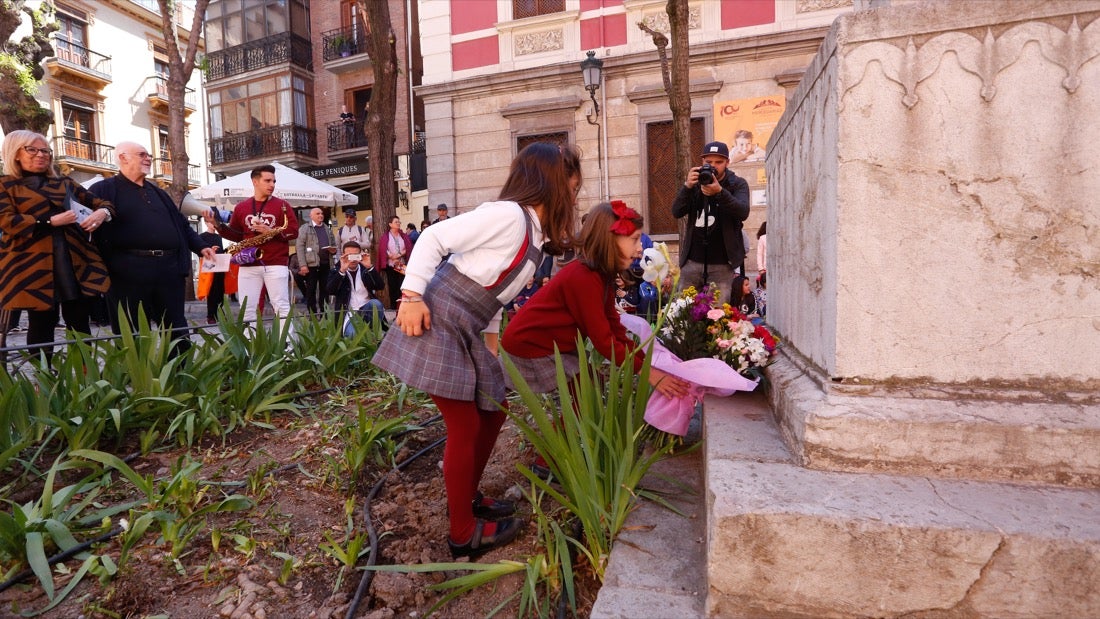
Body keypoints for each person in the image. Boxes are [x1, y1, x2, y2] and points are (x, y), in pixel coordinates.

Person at [372, 142, 580, 559]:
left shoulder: (533, 235)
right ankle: (463, 533)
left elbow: (491, 295)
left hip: (465, 325)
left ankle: (468, 498)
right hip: (438, 318)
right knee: (465, 425)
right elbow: (434, 236)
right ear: (555, 183)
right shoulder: (508, 216)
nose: (575, 197)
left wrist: (488, 351)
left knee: (494, 406)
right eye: (573, 187)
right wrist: (410, 296)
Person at [501, 200, 689, 396]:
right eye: (635, 239)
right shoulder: (583, 278)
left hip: (551, 345)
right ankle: (572, 427)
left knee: (589, 387)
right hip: (530, 346)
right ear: (609, 240)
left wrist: (648, 361)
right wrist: (647, 372)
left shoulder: (601, 275)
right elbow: (603, 339)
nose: (641, 248)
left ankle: (575, 427)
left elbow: (613, 326)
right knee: (587, 391)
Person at [89, 142, 217, 355]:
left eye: (148, 154)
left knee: (176, 327)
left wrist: (201, 247)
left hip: (168, 271)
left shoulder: (159, 193)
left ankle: (180, 373)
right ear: (123, 157)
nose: (148, 158)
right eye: (141, 154)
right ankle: (139, 378)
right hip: (126, 272)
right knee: (131, 329)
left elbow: (182, 225)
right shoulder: (103, 189)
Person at [0, 130, 115, 356]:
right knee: (41, 323)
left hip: (73, 263)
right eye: (32, 149)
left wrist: (102, 212)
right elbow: (5, 221)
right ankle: (43, 380)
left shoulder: (65, 182)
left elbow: (103, 203)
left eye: (45, 150)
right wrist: (49, 221)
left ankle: (86, 376)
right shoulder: (6, 184)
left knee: (79, 323)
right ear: (15, 152)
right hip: (31, 267)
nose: (41, 155)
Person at [204, 164, 300, 332]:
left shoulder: (283, 205)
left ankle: (288, 348)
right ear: (255, 181)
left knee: (281, 306)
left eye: (274, 181)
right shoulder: (241, 207)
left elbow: (294, 232)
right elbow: (235, 234)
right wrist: (217, 225)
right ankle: (251, 346)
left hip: (275, 263)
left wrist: (271, 232)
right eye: (267, 180)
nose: (272, 185)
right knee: (247, 309)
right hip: (248, 263)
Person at [671, 140, 750, 303]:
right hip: (692, 261)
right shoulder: (695, 184)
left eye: (719, 162)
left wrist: (720, 192)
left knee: (717, 317)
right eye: (709, 162)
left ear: (727, 162)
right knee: (683, 313)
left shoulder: (737, 184)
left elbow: (743, 212)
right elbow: (676, 211)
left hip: (722, 263)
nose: (713, 166)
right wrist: (687, 187)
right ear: (702, 162)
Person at [327, 241, 386, 334]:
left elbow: (380, 286)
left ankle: (373, 331)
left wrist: (370, 267)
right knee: (352, 335)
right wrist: (342, 271)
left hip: (366, 308)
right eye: (350, 255)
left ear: (360, 255)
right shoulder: (336, 270)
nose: (353, 260)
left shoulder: (365, 269)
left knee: (376, 304)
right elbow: (330, 290)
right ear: (343, 255)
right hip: (349, 313)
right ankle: (363, 333)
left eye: (356, 255)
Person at [295, 207, 336, 316]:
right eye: (317, 213)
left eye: (321, 213)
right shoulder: (305, 228)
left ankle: (324, 313)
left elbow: (333, 244)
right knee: (311, 290)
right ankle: (312, 313)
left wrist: (333, 250)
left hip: (325, 264)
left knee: (325, 290)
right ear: (311, 216)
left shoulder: (327, 228)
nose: (320, 215)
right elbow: (299, 247)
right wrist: (303, 265)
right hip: (311, 264)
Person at [377, 215, 412, 310]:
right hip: (391, 265)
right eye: (396, 222)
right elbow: (383, 249)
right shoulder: (385, 236)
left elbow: (408, 248)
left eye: (399, 222)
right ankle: (394, 307)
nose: (398, 223)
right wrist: (392, 257)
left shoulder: (403, 236)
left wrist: (399, 255)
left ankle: (403, 306)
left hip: (401, 265)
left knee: (402, 285)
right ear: (390, 224)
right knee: (393, 286)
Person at [198, 220, 227, 324]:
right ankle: (210, 316)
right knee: (211, 292)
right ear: (206, 223)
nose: (214, 225)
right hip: (209, 269)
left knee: (220, 291)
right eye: (211, 222)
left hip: (220, 267)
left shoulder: (219, 237)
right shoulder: (202, 236)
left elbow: (221, 251)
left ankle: (219, 313)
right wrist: (211, 250)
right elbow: (199, 253)